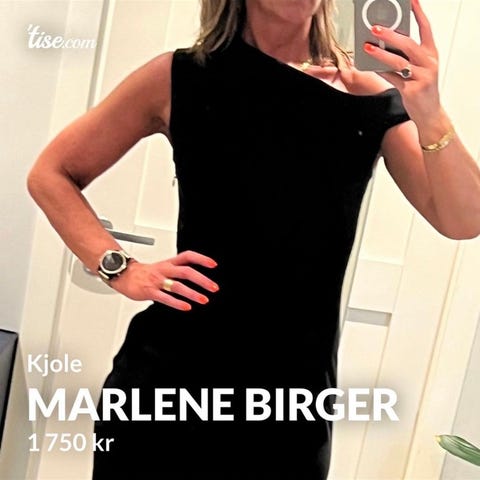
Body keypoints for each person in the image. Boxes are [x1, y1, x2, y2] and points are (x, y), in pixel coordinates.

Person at [27, 0, 480, 478]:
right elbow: (51, 174)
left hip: (291, 402)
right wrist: (120, 268)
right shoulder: (181, 77)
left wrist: (429, 111)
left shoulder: (366, 97)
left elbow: (463, 219)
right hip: (169, 383)